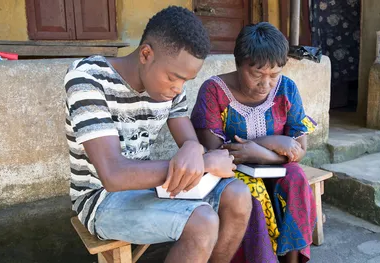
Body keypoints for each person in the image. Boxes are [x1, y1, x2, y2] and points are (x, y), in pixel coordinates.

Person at [64, 6, 252, 263]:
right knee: (202, 222)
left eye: (186, 81)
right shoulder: (88, 78)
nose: (178, 88)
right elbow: (113, 175)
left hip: (150, 187)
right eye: (174, 78)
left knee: (238, 196)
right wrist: (206, 161)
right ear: (146, 54)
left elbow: (189, 141)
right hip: (100, 199)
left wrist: (192, 148)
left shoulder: (171, 89)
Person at [191, 22, 317, 263]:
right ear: (239, 64)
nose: (266, 83)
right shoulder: (214, 91)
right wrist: (275, 143)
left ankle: (292, 260)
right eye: (257, 74)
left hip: (275, 166)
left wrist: (258, 151)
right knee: (252, 192)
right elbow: (219, 153)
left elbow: (299, 150)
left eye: (274, 74)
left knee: (297, 178)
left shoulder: (287, 89)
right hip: (229, 173)